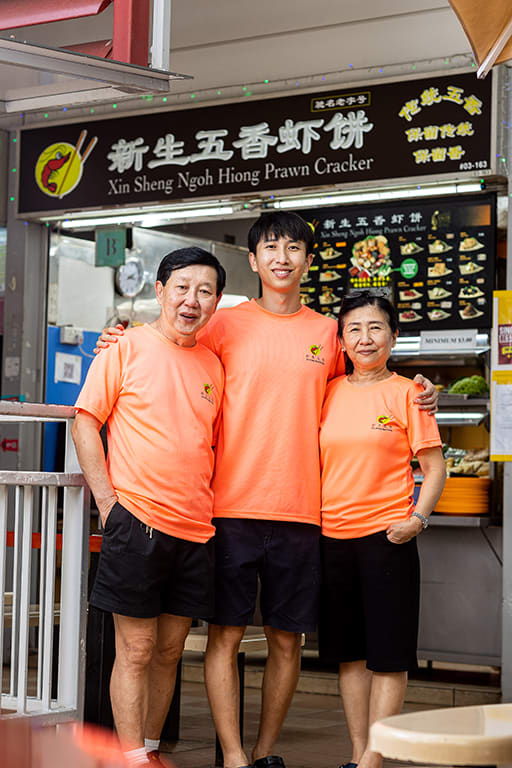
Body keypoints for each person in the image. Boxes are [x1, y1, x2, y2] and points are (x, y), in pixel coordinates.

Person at [96, 212, 438, 768]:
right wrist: (119, 335)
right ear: (253, 261)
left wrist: (421, 389)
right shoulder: (222, 323)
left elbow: (364, 382)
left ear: (308, 260)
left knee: (286, 641)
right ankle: (232, 756)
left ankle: (263, 753)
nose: (283, 258)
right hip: (227, 510)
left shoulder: (328, 333)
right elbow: (170, 339)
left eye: (294, 248)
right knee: (225, 637)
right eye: (271, 248)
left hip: (304, 513)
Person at [72, 248, 225, 768]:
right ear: (160, 291)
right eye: (182, 287)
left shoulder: (213, 365)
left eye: (204, 291)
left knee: (168, 652)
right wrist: (109, 505)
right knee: (135, 649)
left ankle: (152, 750)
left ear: (216, 302)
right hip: (136, 522)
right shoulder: (126, 346)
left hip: (196, 530)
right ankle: (132, 757)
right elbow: (85, 423)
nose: (192, 300)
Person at [318, 290, 446, 768]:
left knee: (389, 656)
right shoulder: (327, 391)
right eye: (354, 329)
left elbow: (435, 468)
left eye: (375, 328)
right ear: (341, 340)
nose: (365, 338)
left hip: (386, 540)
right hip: (332, 539)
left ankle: (374, 758)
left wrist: (416, 520)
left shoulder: (409, 393)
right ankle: (357, 753)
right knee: (350, 655)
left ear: (393, 335)